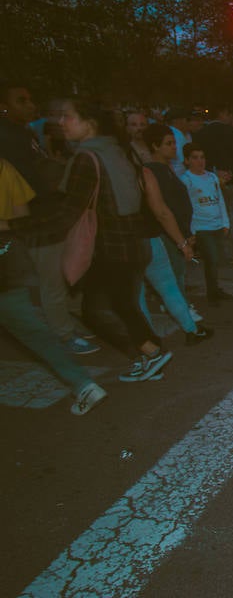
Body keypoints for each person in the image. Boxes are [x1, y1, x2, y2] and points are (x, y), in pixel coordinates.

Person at [58, 97, 173, 382]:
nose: (61, 123)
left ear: (89, 123)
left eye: (68, 117)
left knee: (97, 310)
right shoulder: (117, 151)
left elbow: (69, 208)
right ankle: (150, 355)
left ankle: (150, 352)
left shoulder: (88, 157)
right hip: (132, 241)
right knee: (122, 304)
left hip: (109, 246)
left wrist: (19, 225)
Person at [0, 158, 107, 415]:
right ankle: (83, 383)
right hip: (5, 252)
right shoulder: (5, 166)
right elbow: (21, 215)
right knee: (32, 329)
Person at [0, 81, 99, 355]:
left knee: (61, 272)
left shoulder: (22, 132)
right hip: (35, 217)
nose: (30, 105)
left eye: (30, 99)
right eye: (21, 100)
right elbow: (37, 175)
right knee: (51, 278)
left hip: (45, 214)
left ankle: (66, 324)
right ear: (3, 107)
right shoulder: (7, 137)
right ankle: (63, 335)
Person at [142, 123, 212, 345]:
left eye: (174, 142)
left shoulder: (165, 169)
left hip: (171, 235)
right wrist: (182, 240)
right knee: (171, 282)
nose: (174, 147)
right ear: (155, 146)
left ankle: (186, 328)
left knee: (170, 282)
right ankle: (182, 328)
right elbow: (163, 210)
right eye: (168, 144)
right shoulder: (153, 171)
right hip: (165, 236)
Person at [193, 105, 233, 267]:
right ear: (223, 113)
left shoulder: (201, 135)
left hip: (212, 182)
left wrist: (215, 172)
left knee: (222, 217)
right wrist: (232, 173)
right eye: (230, 114)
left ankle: (226, 254)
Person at [180, 143, 232, 307]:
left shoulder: (212, 177)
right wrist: (191, 231)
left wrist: (225, 222)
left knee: (215, 261)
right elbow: (185, 207)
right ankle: (212, 293)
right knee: (211, 258)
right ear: (187, 160)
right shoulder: (186, 180)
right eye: (195, 158)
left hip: (217, 224)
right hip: (201, 227)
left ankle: (215, 288)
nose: (200, 161)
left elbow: (220, 200)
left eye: (202, 157)